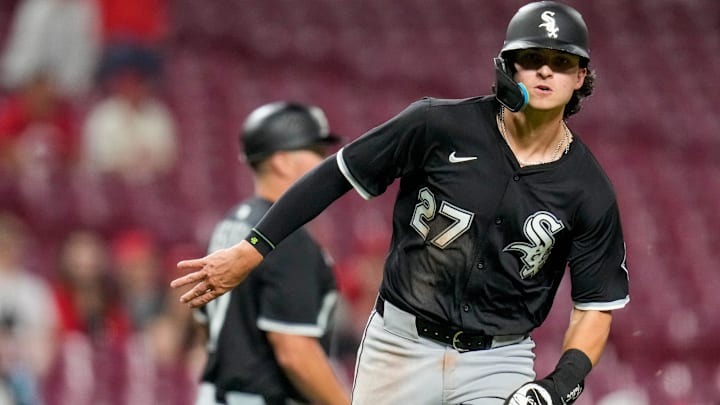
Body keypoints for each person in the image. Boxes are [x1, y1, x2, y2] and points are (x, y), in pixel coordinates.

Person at [171, 2, 630, 404]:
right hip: (400, 344)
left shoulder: (589, 190)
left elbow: (594, 308)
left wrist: (559, 386)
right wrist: (252, 249)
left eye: (561, 61)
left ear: (581, 76)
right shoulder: (436, 125)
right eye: (532, 59)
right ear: (508, 68)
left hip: (498, 359)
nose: (546, 70)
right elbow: (335, 175)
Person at [191, 101, 350, 405]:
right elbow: (294, 352)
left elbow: (204, 322)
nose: (325, 161)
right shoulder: (284, 237)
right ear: (282, 162)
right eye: (316, 151)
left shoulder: (233, 221)